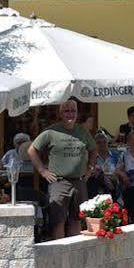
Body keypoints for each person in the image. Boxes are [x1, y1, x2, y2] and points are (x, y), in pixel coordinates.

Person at [29, 99, 93, 238]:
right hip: (59, 182)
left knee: (76, 219)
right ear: (61, 113)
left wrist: (90, 168)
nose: (70, 114)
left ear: (77, 113)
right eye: (66, 111)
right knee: (58, 221)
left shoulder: (82, 131)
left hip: (79, 181)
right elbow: (32, 150)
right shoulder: (51, 131)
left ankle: (73, 253)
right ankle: (59, 255)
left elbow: (93, 149)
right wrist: (42, 171)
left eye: (73, 111)